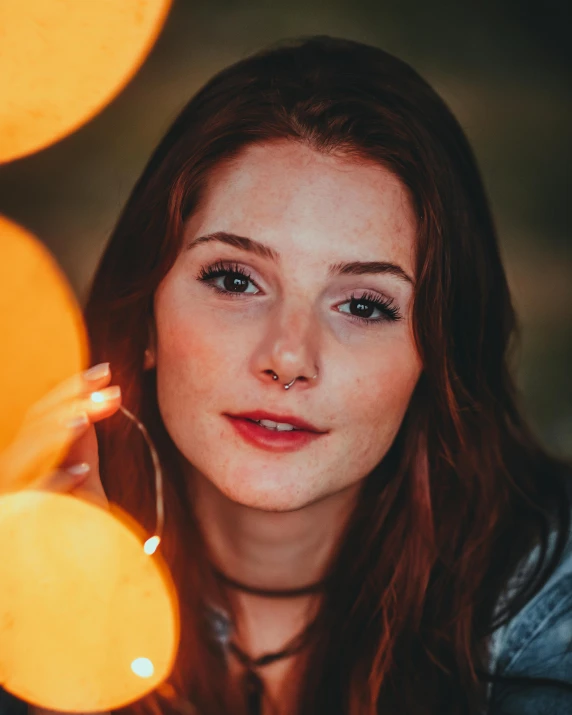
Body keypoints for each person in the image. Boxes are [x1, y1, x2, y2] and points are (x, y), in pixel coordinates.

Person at [3, 35, 571, 715]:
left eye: (363, 304)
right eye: (235, 279)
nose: (289, 356)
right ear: (146, 312)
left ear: (437, 352)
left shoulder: (547, 595)